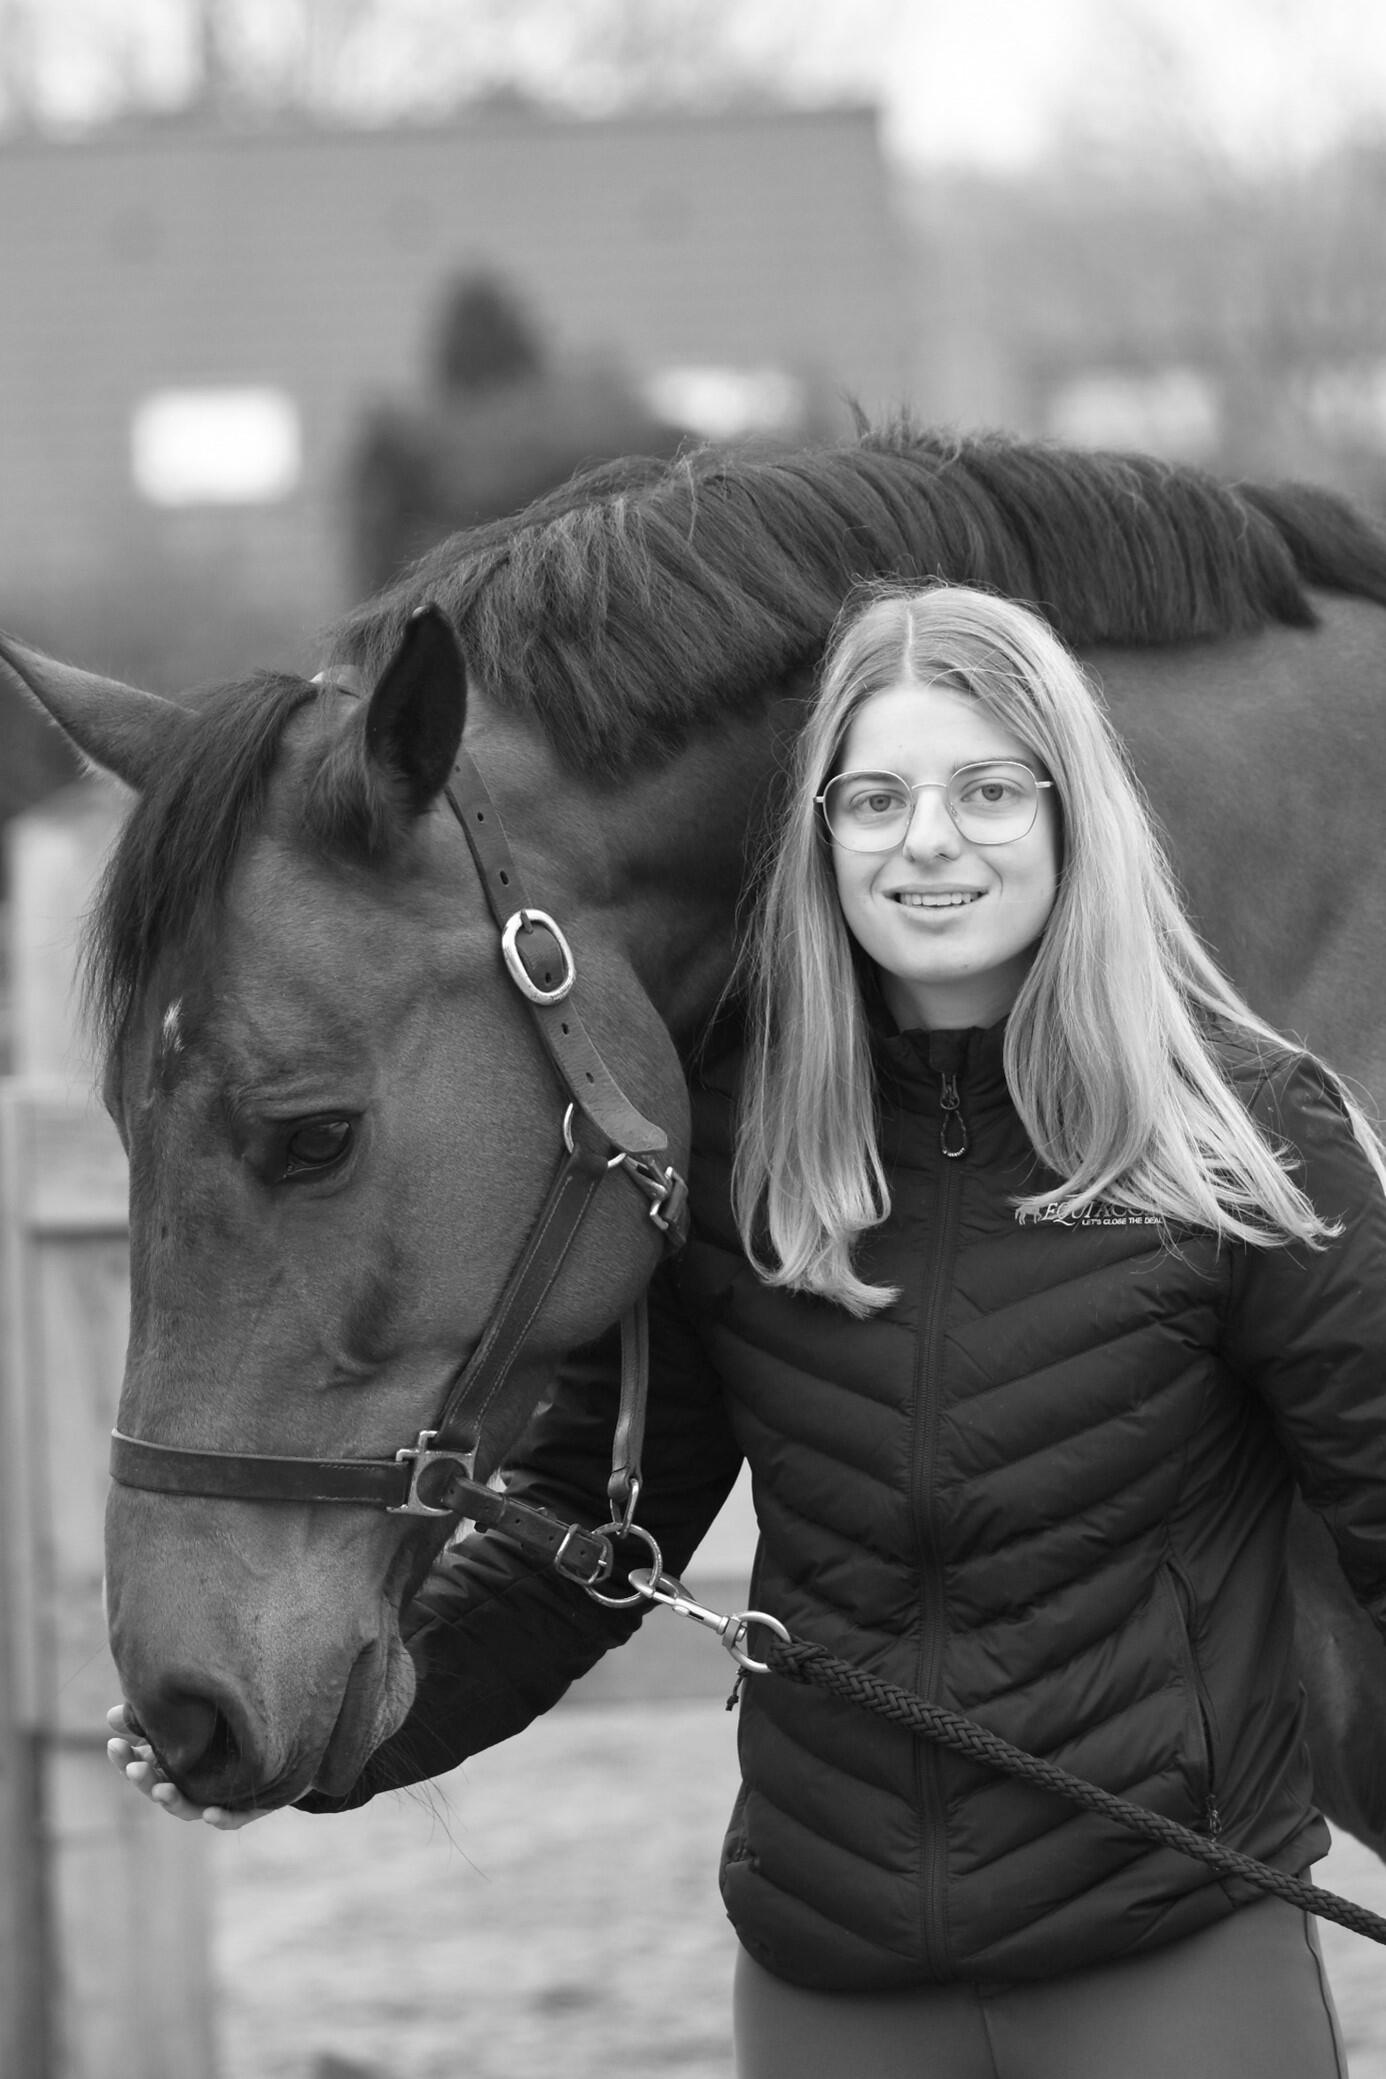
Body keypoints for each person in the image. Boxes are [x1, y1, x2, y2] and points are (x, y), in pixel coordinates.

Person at [109, 582, 1386, 2077]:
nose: (928, 840)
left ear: (1071, 815)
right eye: (875, 798)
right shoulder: (733, 1154)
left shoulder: (1243, 1135)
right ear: (818, 836)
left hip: (1167, 1953)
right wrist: (338, 1737)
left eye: (985, 791)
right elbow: (582, 1536)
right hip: (833, 1976)